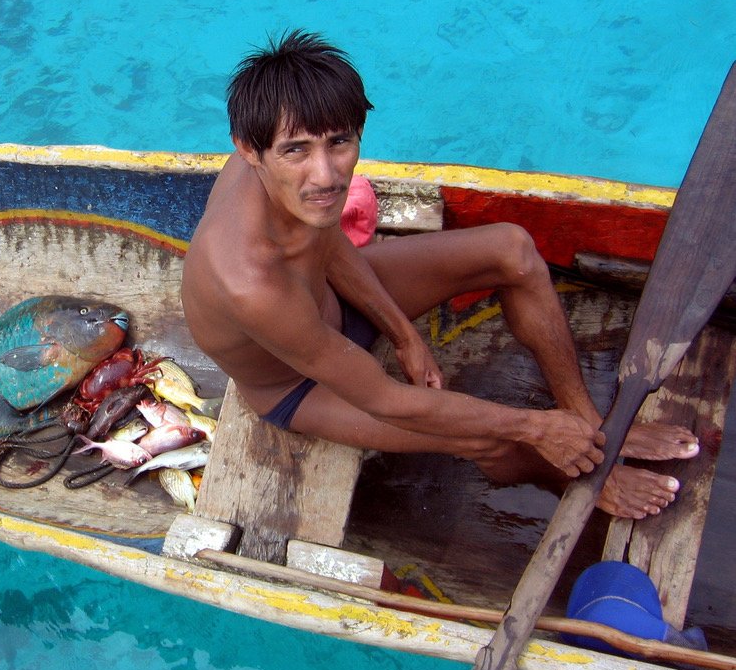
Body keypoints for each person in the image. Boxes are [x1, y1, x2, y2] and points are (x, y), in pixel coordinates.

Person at [180, 29, 698, 519]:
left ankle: (589, 425)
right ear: (248, 149)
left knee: (511, 249)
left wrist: (403, 335)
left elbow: (324, 240)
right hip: (298, 384)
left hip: (336, 306)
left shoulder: (294, 174)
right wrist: (536, 428)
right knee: (489, 435)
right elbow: (385, 399)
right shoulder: (250, 281)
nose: (326, 174)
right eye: (296, 151)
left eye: (339, 143)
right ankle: (570, 475)